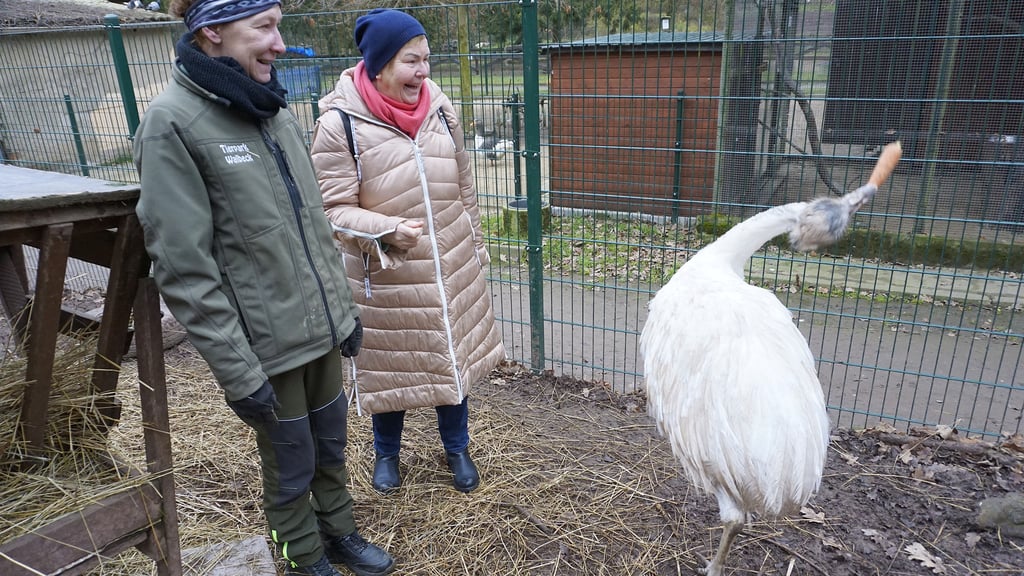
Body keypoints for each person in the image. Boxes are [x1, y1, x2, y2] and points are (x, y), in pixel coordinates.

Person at [132, 1, 394, 575]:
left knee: (330, 443)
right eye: (264, 27)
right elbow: (182, 266)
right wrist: (237, 370)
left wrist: (343, 312)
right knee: (290, 459)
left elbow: (312, 226)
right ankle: (302, 554)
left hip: (318, 328)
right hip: (265, 347)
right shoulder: (173, 124)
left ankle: (338, 531)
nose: (280, 43)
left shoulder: (269, 110)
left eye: (279, 25)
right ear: (212, 31)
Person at [310, 8, 505, 495]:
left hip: (449, 263)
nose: (423, 72)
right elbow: (330, 210)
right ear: (379, 66)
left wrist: (475, 247)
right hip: (386, 271)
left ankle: (457, 448)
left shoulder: (439, 108)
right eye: (411, 61)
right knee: (390, 367)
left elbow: (463, 185)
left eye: (426, 59)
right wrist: (384, 229)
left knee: (451, 359)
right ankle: (387, 455)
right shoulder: (340, 125)